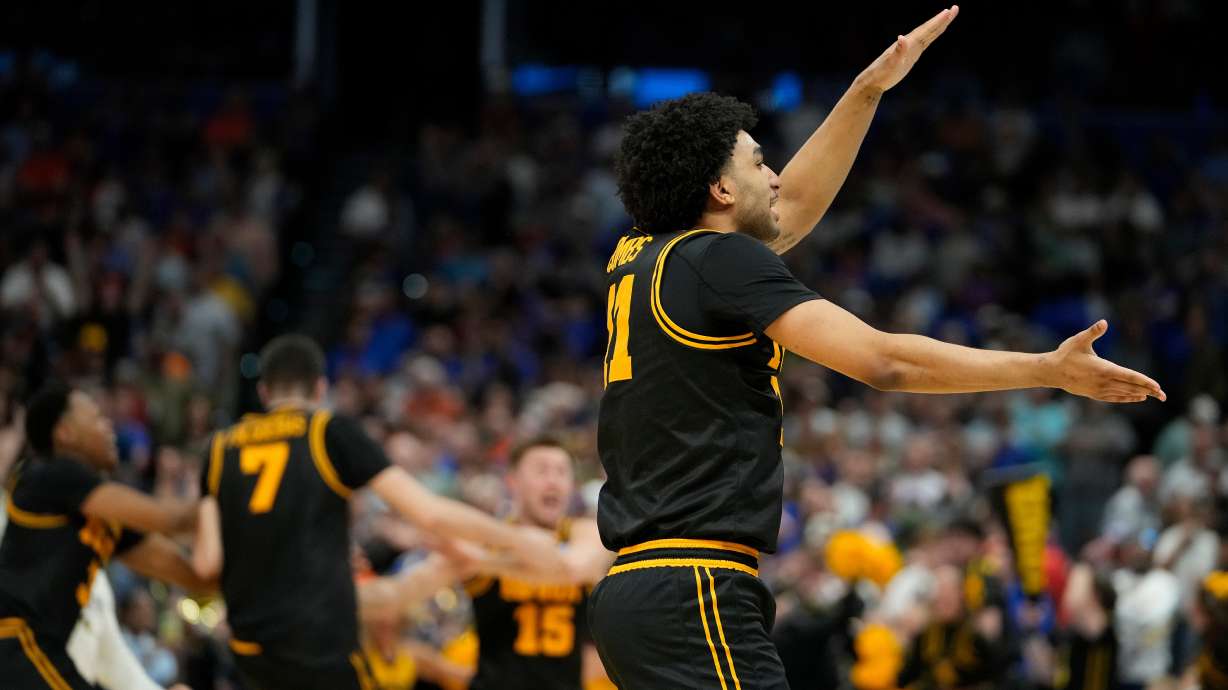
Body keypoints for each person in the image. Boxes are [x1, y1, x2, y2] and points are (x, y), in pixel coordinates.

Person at [588, 6, 1167, 689]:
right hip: (693, 588)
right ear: (717, 189)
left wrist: (867, 91)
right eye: (758, 161)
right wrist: (1046, 369)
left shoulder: (645, 255)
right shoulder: (718, 262)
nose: (775, 175)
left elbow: (791, 209)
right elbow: (884, 361)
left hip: (640, 589)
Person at [191, 334, 559, 690]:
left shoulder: (219, 449)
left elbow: (207, 562)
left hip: (250, 647)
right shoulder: (327, 431)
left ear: (264, 392)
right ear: (320, 389)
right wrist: (515, 539)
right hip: (316, 639)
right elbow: (429, 514)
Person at [0, 384, 213, 690]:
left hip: (40, 647)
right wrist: (231, 489)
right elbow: (172, 520)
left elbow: (190, 575)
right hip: (13, 638)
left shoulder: (104, 518)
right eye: (98, 418)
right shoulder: (47, 474)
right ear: (65, 433)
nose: (109, 426)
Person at [370, 436, 616, 690]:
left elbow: (572, 568)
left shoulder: (584, 533)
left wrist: (480, 562)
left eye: (562, 472)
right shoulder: (486, 542)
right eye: (542, 470)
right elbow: (402, 592)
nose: (553, 480)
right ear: (513, 482)